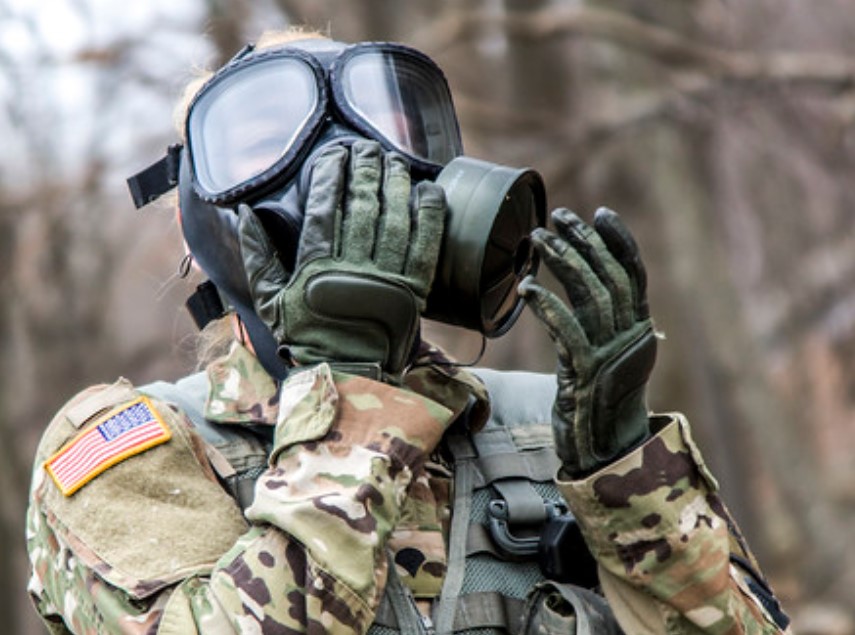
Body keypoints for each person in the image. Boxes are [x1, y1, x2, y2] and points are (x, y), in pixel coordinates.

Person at [25, 28, 792, 635]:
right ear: (194, 226)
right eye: (265, 142)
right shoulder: (133, 454)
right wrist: (346, 399)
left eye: (379, 127)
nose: (345, 165)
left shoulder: (544, 427)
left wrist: (627, 480)